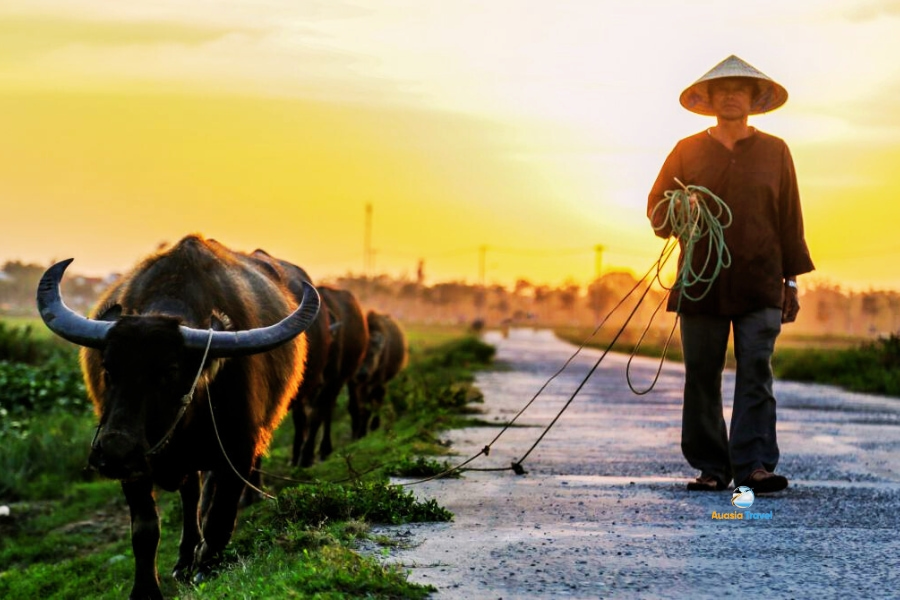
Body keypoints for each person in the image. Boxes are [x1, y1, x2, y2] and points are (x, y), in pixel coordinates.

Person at [647, 55, 815, 494]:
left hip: (761, 280)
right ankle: (711, 468)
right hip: (700, 283)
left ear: (753, 99)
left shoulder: (775, 151)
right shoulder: (686, 151)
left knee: (756, 368)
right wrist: (678, 208)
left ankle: (755, 465)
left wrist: (791, 281)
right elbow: (658, 213)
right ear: (711, 99)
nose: (731, 97)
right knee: (702, 372)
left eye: (740, 90)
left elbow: (790, 219)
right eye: (723, 91)